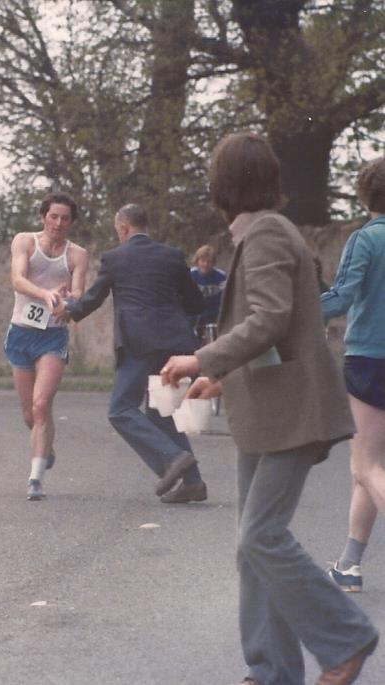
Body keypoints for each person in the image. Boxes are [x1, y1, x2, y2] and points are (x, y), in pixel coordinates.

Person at [161, 133, 378, 685]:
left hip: (293, 414)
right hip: (269, 411)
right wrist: (219, 376)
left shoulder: (264, 236)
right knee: (251, 545)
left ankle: (345, 638)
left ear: (222, 186)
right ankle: (273, 670)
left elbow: (269, 320)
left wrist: (200, 358)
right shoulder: (262, 234)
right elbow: (271, 332)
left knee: (262, 536)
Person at [62, 204, 207, 504]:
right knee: (162, 413)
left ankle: (172, 458)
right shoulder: (172, 255)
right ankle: (193, 483)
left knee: (121, 409)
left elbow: (93, 298)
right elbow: (194, 303)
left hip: (139, 344)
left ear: (123, 228)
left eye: (118, 231)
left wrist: (68, 310)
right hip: (177, 344)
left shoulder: (115, 258)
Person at [321, 156, 385, 594]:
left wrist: (294, 316)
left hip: (369, 360)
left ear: (364, 196)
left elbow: (341, 296)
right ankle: (349, 565)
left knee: (365, 465)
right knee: (369, 466)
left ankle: (349, 565)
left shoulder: (365, 239)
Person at [5, 192, 89, 501]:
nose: (58, 223)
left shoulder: (77, 254)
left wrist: (67, 300)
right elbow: (17, 278)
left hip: (53, 336)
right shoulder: (25, 242)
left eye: (65, 218)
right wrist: (45, 294)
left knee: (42, 405)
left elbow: (79, 291)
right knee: (29, 413)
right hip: (21, 332)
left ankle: (35, 478)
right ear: (44, 217)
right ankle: (46, 447)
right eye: (53, 216)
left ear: (71, 222)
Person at [190, 244, 227, 342]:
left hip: (214, 316)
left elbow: (226, 298)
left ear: (213, 263)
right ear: (197, 261)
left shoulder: (221, 277)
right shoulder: (190, 275)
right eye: (203, 261)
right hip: (194, 316)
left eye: (209, 262)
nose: (206, 265)